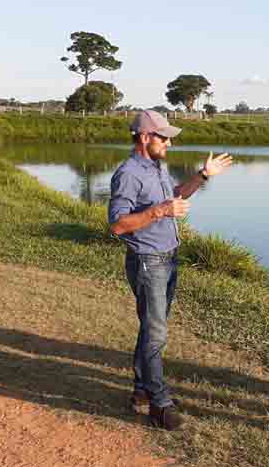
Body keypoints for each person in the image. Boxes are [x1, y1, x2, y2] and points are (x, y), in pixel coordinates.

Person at [108, 110, 233, 430]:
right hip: (148, 261)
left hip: (167, 258)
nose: (169, 143)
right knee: (156, 332)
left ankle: (141, 392)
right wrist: (161, 210)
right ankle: (160, 403)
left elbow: (174, 196)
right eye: (164, 137)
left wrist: (203, 176)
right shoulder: (129, 173)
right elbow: (118, 225)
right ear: (145, 137)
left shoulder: (155, 166)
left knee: (151, 328)